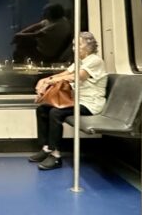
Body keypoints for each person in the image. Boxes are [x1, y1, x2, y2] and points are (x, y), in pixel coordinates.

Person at [30, 31, 107, 170]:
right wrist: (45, 80)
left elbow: (76, 77)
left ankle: (56, 155)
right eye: (73, 45)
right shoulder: (80, 61)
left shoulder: (95, 60)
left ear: (88, 47)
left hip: (90, 104)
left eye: (77, 45)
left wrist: (50, 81)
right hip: (77, 101)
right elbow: (65, 74)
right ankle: (46, 147)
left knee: (55, 112)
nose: (73, 48)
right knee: (42, 109)